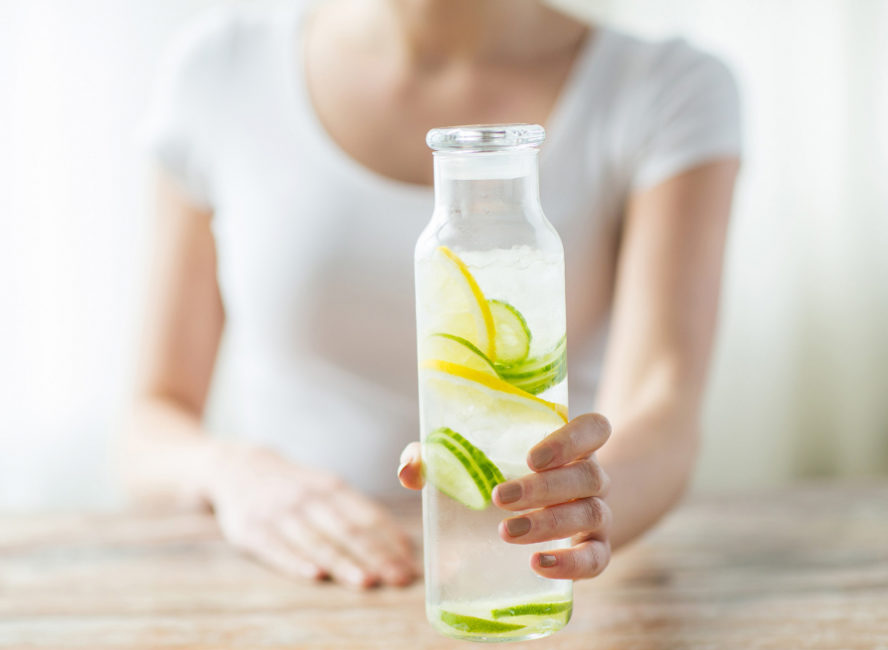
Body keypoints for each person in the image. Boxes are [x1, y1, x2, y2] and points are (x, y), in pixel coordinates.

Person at [124, 0, 741, 589]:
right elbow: (149, 422)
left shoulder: (665, 85)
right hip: (288, 581)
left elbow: (661, 409)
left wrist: (589, 504)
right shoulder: (222, 67)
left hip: (527, 574)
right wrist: (235, 475)